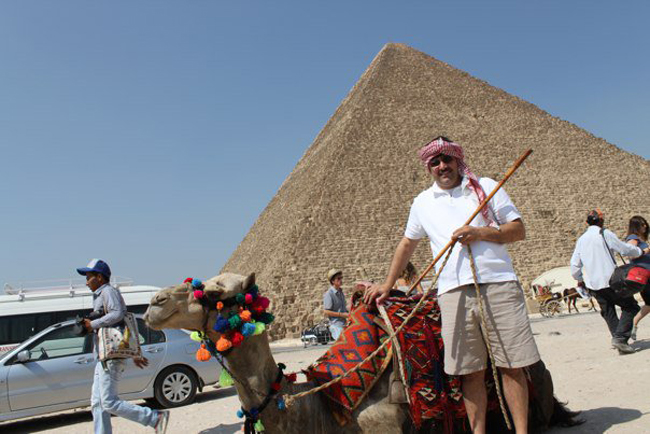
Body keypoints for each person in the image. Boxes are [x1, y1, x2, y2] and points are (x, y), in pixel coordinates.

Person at [364, 137, 539, 434]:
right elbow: (408, 243)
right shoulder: (422, 202)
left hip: (498, 284)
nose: (442, 166)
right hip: (453, 292)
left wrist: (481, 232)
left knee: (512, 366)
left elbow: (517, 230)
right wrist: (387, 283)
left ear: (458, 159)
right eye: (435, 162)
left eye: (447, 159)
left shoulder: (485, 187)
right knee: (469, 372)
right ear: (428, 167)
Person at [77, 258, 169, 434]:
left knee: (109, 402)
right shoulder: (99, 295)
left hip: (110, 357)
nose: (86, 281)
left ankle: (153, 418)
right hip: (103, 357)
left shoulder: (108, 291)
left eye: (89, 277)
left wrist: (93, 324)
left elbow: (118, 314)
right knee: (98, 403)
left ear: (100, 277)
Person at [570, 211, 645, 354]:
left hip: (593, 284)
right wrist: (639, 252)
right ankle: (620, 339)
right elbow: (624, 249)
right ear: (601, 221)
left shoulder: (582, 239)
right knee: (631, 307)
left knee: (608, 311)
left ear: (587, 223)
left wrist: (580, 279)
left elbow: (574, 265)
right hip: (611, 280)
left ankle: (619, 340)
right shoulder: (604, 234)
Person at [625, 215, 650, 340]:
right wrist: (646, 251)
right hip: (643, 276)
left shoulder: (639, 239)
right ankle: (633, 323)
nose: (645, 226)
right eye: (642, 224)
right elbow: (630, 254)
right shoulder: (633, 238)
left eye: (645, 223)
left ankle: (633, 323)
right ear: (635, 226)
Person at [323, 268, 349, 341]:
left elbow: (343, 308)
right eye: (338, 278)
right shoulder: (329, 294)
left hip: (344, 324)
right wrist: (342, 314)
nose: (341, 280)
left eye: (341, 278)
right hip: (336, 325)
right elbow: (326, 311)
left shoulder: (341, 292)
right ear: (333, 281)